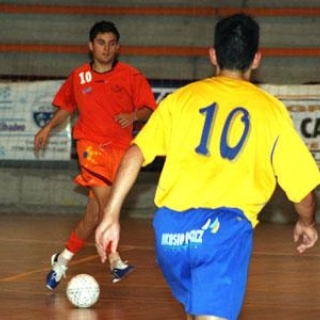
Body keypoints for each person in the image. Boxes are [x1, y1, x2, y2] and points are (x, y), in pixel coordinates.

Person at [95, 13, 320, 320]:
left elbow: (135, 152)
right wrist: (306, 223)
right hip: (222, 231)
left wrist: (111, 214)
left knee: (196, 310)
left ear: (213, 54)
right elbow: (303, 190)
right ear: (256, 59)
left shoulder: (181, 99)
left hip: (170, 233)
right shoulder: (271, 112)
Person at [34, 20, 157, 290]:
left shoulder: (131, 76)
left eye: (112, 43)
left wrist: (133, 115)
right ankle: (115, 260)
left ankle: (61, 261)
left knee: (92, 217)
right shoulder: (79, 76)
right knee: (106, 206)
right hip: (89, 148)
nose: (106, 48)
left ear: (118, 47)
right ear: (91, 46)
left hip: (120, 153)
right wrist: (47, 127)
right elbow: (67, 107)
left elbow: (149, 109)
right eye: (101, 43)